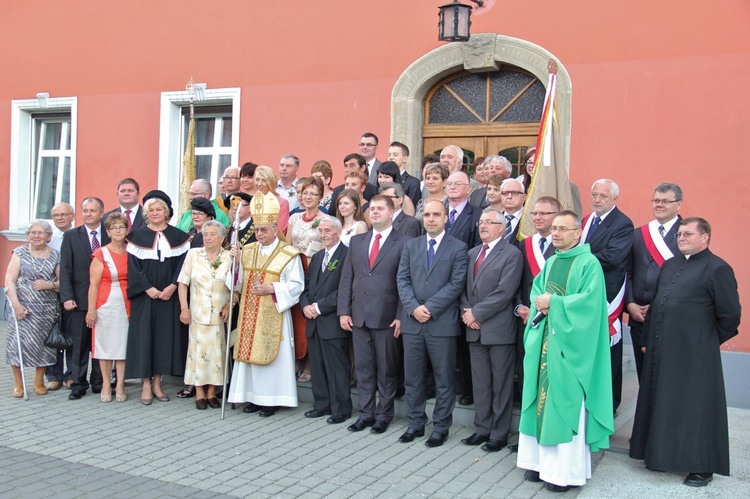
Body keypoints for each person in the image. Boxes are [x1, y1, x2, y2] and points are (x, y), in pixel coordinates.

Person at [629, 217, 741, 488]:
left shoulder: (718, 268)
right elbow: (655, 305)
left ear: (705, 238)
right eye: (679, 235)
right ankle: (661, 457)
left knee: (696, 409)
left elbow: (730, 316)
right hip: (662, 349)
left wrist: (704, 340)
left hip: (696, 354)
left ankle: (702, 466)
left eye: (688, 234)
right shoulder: (670, 265)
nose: (682, 238)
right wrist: (647, 338)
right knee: (664, 402)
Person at [517, 210, 613, 492]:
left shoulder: (588, 263)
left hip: (569, 348)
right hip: (545, 341)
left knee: (563, 403)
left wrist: (555, 304)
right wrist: (541, 301)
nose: (556, 233)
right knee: (539, 401)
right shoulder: (552, 261)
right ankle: (537, 464)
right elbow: (537, 292)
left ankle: (563, 473)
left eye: (563, 229)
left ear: (577, 233)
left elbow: (590, 305)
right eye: (554, 228)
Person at [396, 199, 468, 447]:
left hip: (442, 323)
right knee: (412, 378)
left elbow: (456, 284)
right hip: (413, 323)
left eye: (436, 214)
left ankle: (440, 427)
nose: (431, 219)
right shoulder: (411, 246)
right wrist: (414, 308)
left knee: (443, 379)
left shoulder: (458, 248)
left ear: (446, 218)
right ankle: (415, 423)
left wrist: (430, 308)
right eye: (426, 215)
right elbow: (402, 279)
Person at [338, 195, 410, 435]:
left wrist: (401, 314)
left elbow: (406, 282)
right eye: (372, 209)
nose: (375, 212)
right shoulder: (357, 241)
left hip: (387, 316)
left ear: (392, 213)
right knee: (364, 369)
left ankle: (384, 415)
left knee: (386, 369)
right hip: (358, 315)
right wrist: (343, 311)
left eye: (381, 209)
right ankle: (365, 414)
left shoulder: (405, 242)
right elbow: (347, 278)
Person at [228, 192, 305, 417]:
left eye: (264, 230)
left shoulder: (288, 254)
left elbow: (297, 285)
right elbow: (235, 283)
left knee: (273, 357)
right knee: (249, 356)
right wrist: (233, 263)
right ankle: (251, 397)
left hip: (274, 313)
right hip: (249, 312)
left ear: (274, 230)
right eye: (257, 229)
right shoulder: (246, 250)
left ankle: (271, 400)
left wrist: (273, 288)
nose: (259, 234)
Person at [460, 207, 523, 452]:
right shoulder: (472, 253)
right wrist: (467, 312)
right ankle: (482, 428)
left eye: (489, 222)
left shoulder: (511, 254)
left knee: (501, 384)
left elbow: (505, 292)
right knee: (481, 383)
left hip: (498, 329)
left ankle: (499, 433)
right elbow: (463, 288)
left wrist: (476, 313)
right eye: (481, 222)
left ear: (501, 227)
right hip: (473, 328)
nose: (483, 225)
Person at [125, 190, 191, 405]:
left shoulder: (179, 237)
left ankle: (158, 383)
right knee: (145, 338)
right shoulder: (136, 236)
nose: (155, 213)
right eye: (151, 210)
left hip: (168, 296)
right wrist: (148, 288)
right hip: (145, 297)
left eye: (159, 209)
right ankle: (145, 383)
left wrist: (173, 286)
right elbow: (133, 268)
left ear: (166, 212)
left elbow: (183, 266)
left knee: (164, 339)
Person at [580, 179, 634, 413]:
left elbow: (613, 257)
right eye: (594, 195)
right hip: (583, 290)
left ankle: (609, 404)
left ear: (614, 199)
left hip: (606, 293)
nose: (597, 200)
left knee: (608, 351)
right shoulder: (586, 220)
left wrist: (578, 259)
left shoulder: (622, 224)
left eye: (603, 196)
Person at [625, 183, 682, 379]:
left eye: (666, 201)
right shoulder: (639, 234)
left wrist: (657, 305)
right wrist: (630, 303)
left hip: (669, 316)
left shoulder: (686, 235)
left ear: (678, 204)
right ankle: (644, 411)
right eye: (656, 200)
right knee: (644, 373)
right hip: (638, 315)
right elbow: (628, 271)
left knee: (667, 375)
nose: (660, 204)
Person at [299, 216, 352, 424]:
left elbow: (344, 289)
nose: (323, 235)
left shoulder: (347, 255)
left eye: (327, 231)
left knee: (337, 367)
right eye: (321, 231)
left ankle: (341, 408)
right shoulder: (318, 256)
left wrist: (319, 307)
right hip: (313, 321)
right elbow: (307, 286)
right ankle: (322, 404)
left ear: (338, 232)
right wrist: (305, 306)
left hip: (331, 320)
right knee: (318, 367)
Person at [177, 220, 234, 410]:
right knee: (197, 354)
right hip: (197, 313)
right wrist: (184, 308)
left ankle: (212, 392)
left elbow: (238, 287)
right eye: (205, 234)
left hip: (218, 314)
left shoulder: (229, 257)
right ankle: (199, 392)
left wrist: (229, 304)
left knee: (216, 354)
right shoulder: (194, 254)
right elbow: (183, 283)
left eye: (212, 234)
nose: (208, 238)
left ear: (222, 238)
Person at [5, 220, 60, 398]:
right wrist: (16, 305)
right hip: (22, 307)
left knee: (42, 346)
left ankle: (39, 381)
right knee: (17, 345)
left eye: (40, 233)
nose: (36, 236)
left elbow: (62, 285)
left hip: (46, 309)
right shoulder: (19, 252)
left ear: (48, 236)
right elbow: (10, 280)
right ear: (28, 235)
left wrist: (49, 284)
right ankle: (18, 384)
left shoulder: (56, 256)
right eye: (32, 233)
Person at [513, 197, 559, 400]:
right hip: (526, 319)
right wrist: (519, 306)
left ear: (556, 216)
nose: (537, 218)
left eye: (544, 213)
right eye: (535, 213)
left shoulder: (564, 247)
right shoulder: (525, 245)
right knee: (527, 368)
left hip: (553, 320)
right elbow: (515, 281)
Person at [60, 197, 105, 399]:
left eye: (92, 210)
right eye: (85, 210)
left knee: (100, 343)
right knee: (80, 344)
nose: (88, 214)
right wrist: (67, 296)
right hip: (78, 300)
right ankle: (78, 383)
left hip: (104, 299)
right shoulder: (71, 236)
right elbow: (65, 269)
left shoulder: (110, 234)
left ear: (101, 213)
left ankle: (99, 381)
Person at [444, 170, 481, 405]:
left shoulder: (477, 215)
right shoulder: (436, 212)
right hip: (436, 286)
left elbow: (478, 251)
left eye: (459, 184)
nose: (453, 187)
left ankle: (468, 391)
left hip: (465, 284)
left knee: (465, 344)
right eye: (450, 183)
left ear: (469, 189)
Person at [85, 212, 130, 403]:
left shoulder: (132, 250)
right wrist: (91, 310)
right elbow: (93, 284)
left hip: (126, 304)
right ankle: (105, 383)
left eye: (121, 227)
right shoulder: (101, 253)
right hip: (105, 303)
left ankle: (120, 383)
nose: (118, 230)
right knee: (105, 346)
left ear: (126, 229)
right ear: (108, 231)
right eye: (114, 228)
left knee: (122, 345)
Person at [45, 202, 74, 390]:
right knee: (52, 332)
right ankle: (54, 376)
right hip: (51, 293)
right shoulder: (48, 239)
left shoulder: (78, 235)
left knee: (71, 333)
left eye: (64, 214)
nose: (60, 218)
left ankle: (72, 375)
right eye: (56, 215)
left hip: (73, 292)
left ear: (72, 216)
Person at [288, 177, 326, 258]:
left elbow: (325, 250)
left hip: (313, 265)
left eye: (312, 194)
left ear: (320, 197)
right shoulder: (294, 218)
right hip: (294, 265)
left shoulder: (326, 221)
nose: (308, 197)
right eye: (305, 193)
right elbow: (288, 246)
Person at [253, 165, 290, 235]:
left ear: (271, 182)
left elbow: (281, 230)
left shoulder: (282, 203)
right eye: (257, 179)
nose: (259, 184)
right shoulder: (252, 201)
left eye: (264, 180)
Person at [387, 141, 421, 207]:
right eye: (389, 155)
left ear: (405, 159)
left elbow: (412, 205)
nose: (391, 157)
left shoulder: (413, 182)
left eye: (395, 155)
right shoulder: (382, 179)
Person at [498, 178, 526, 244]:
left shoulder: (529, 221)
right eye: (505, 193)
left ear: (524, 197)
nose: (509, 196)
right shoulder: (495, 220)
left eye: (514, 193)